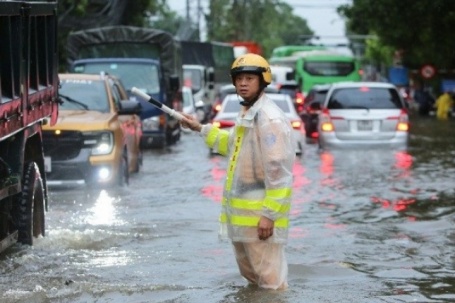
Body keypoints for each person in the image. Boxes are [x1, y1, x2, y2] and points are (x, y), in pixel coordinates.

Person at [180, 53, 295, 290]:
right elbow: (232, 146)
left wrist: (269, 215)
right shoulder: (248, 113)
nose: (243, 83)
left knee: (271, 283)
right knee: (253, 279)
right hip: (244, 218)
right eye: (239, 78)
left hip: (260, 219)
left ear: (263, 81)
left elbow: (278, 171)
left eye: (249, 79)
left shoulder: (268, 118)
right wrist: (200, 128)